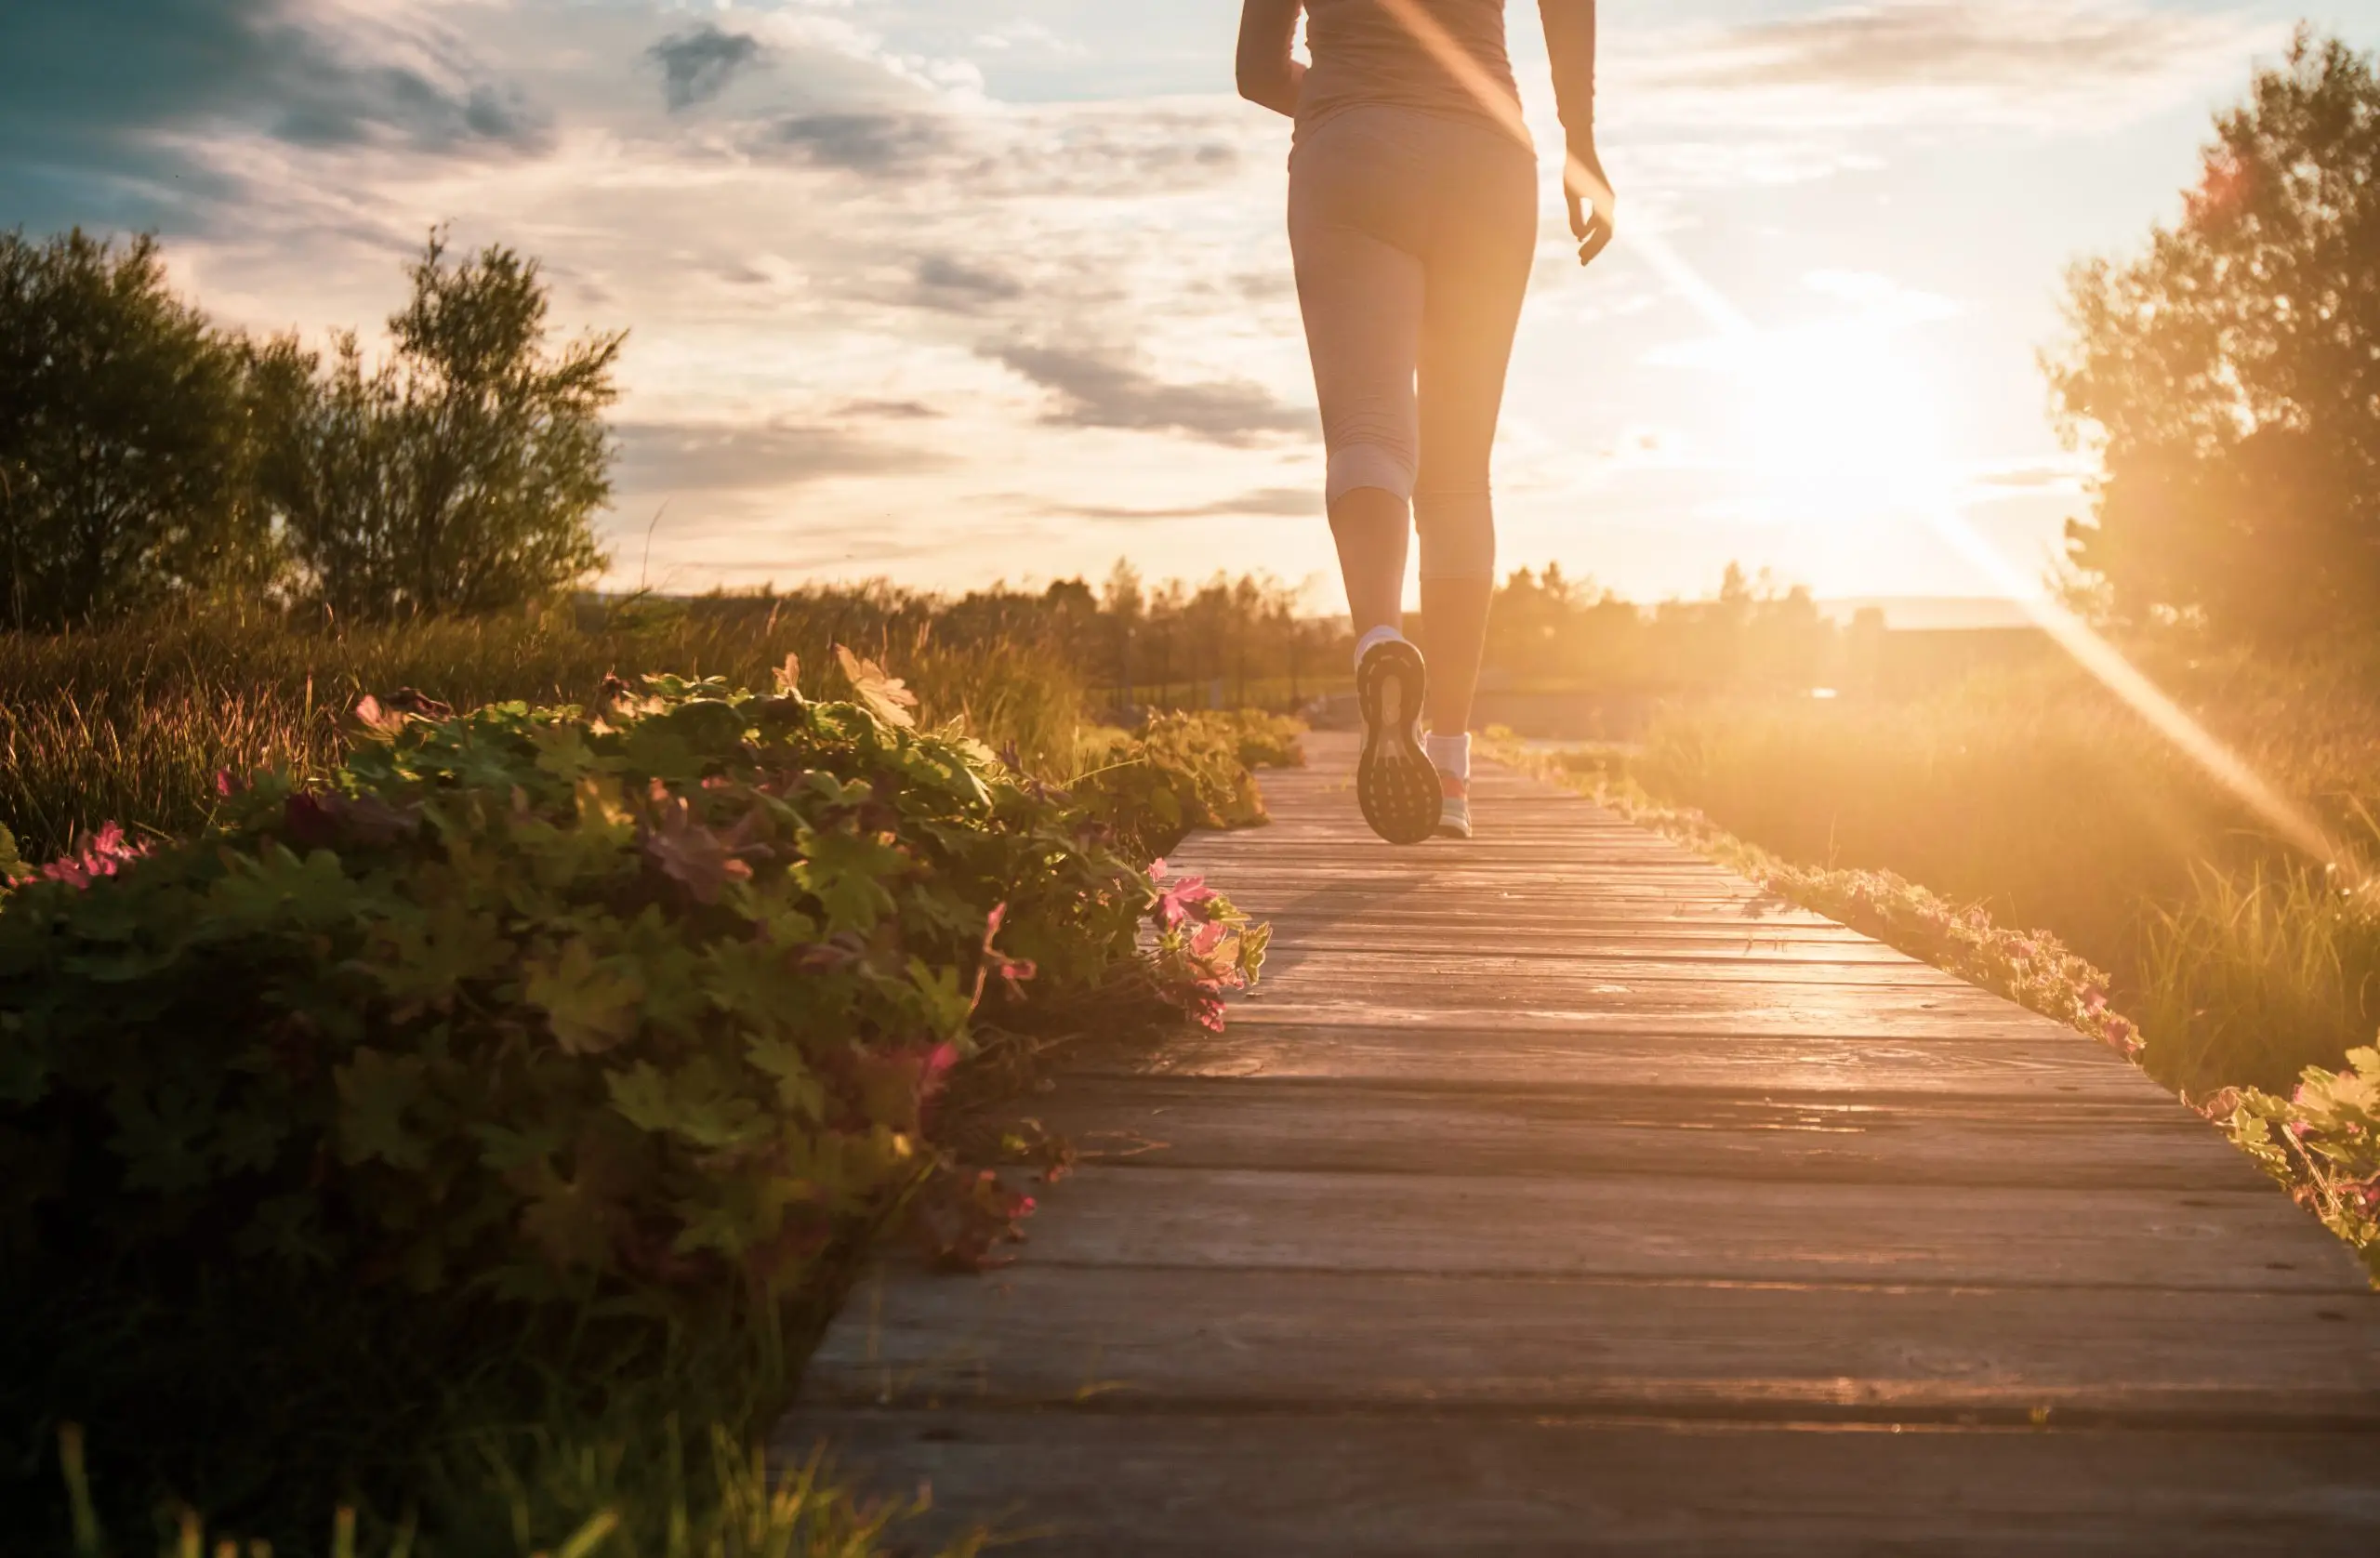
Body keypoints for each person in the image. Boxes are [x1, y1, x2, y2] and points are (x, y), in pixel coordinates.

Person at [1236, 0, 1611, 843]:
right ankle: (1448, 769)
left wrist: (1347, 103)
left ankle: (1378, 640)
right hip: (1487, 156)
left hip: (1351, 152)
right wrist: (1580, 142)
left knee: (1369, 435)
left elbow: (1257, 68)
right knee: (1458, 474)